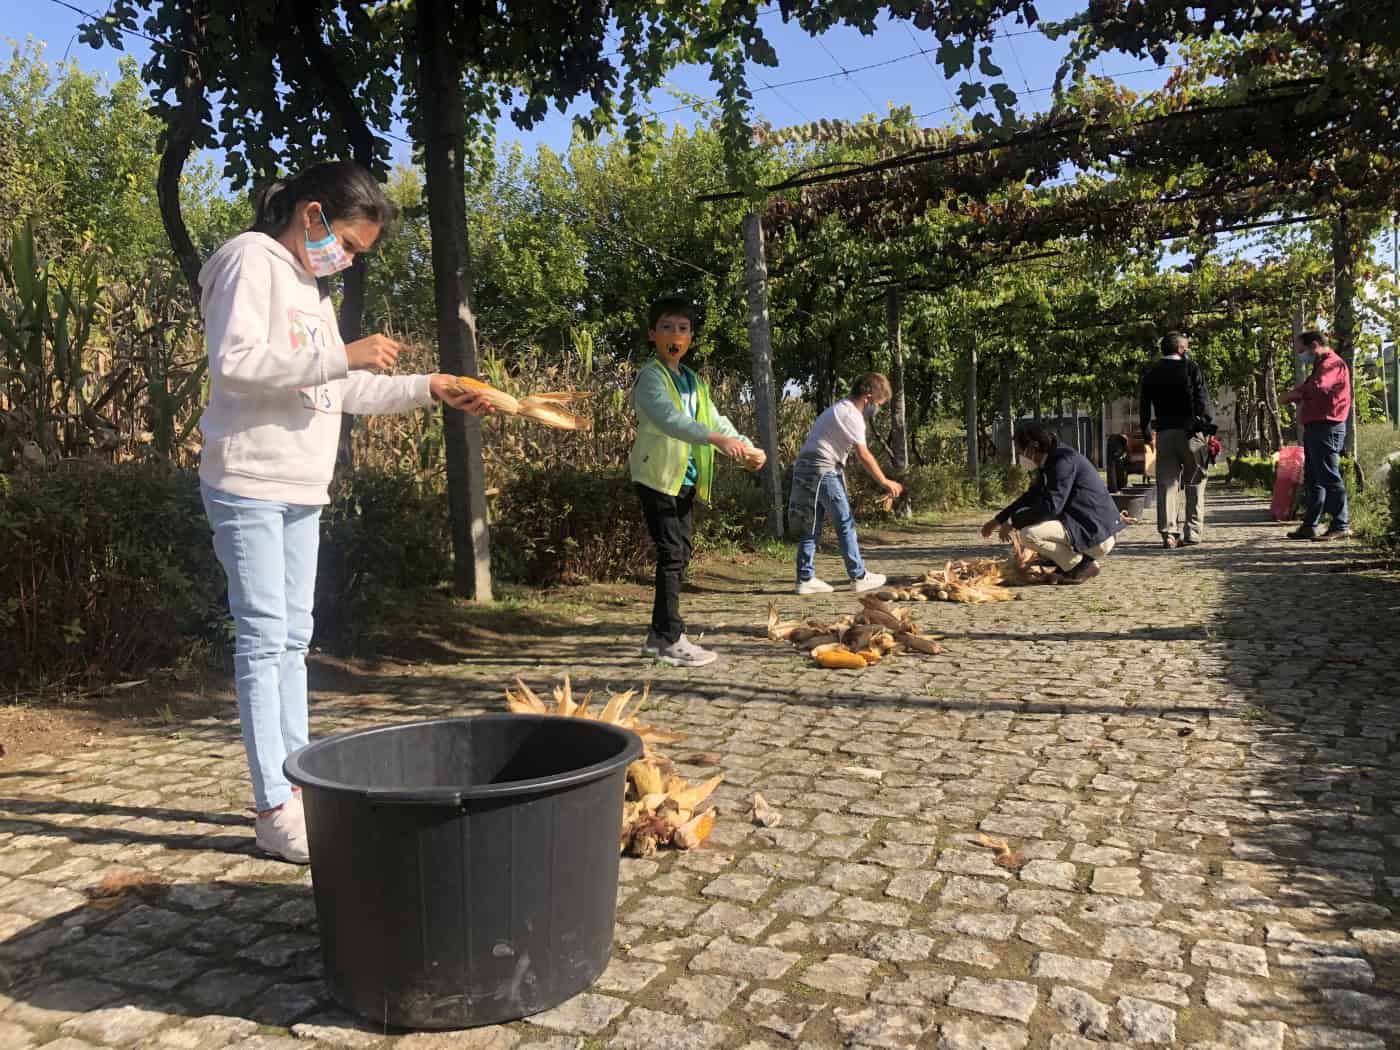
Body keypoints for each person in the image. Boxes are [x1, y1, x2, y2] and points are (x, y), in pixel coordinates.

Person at [198, 160, 490, 863]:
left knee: (294, 637)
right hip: (249, 479)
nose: (350, 260)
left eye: (358, 254)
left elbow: (343, 389)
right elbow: (234, 362)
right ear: (311, 215)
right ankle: (273, 807)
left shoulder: (311, 289)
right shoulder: (250, 261)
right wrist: (339, 353)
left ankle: (298, 788)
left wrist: (432, 386)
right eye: (351, 246)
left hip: (302, 488)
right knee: (265, 639)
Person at [629, 296, 755, 668]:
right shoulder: (651, 377)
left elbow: (715, 420)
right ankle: (671, 638)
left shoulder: (692, 381)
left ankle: (657, 637)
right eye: (667, 327)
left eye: (683, 329)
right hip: (657, 478)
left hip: (684, 480)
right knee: (672, 555)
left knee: (680, 554)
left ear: (691, 338)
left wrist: (747, 447)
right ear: (653, 334)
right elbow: (671, 421)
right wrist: (718, 442)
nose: (675, 335)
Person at [790, 373, 904, 595]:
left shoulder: (836, 409)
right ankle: (859, 576)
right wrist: (884, 481)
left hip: (804, 466)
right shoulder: (852, 415)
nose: (876, 409)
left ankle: (805, 578)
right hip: (823, 469)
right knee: (845, 521)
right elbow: (863, 454)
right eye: (878, 404)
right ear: (868, 397)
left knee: (810, 524)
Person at [981, 421, 1125, 585]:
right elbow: (1031, 496)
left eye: (1020, 451)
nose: (1020, 455)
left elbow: (1050, 507)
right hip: (1089, 526)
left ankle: (1079, 566)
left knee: (1028, 535)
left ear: (1032, 448)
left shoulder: (1063, 462)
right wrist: (999, 520)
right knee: (1033, 524)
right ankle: (1071, 564)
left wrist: (1014, 522)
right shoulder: (1052, 460)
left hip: (1095, 532)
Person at [1140, 331, 1214, 548]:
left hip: (1164, 433)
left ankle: (1169, 533)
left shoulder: (1151, 372)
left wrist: (1146, 432)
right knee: (1195, 482)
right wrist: (1208, 425)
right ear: (1181, 349)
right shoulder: (1191, 368)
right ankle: (1192, 533)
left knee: (1167, 483)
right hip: (1191, 433)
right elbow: (1202, 398)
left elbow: (1144, 405)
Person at [1281, 331, 1352, 540]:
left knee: (1329, 476)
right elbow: (1312, 388)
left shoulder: (1332, 364)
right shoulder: (1320, 365)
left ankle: (1340, 523)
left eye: (1302, 350)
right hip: (1316, 427)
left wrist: (1295, 394)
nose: (1301, 355)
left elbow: (1319, 387)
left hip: (1327, 427)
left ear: (1315, 345)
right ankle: (1310, 524)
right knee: (1314, 478)